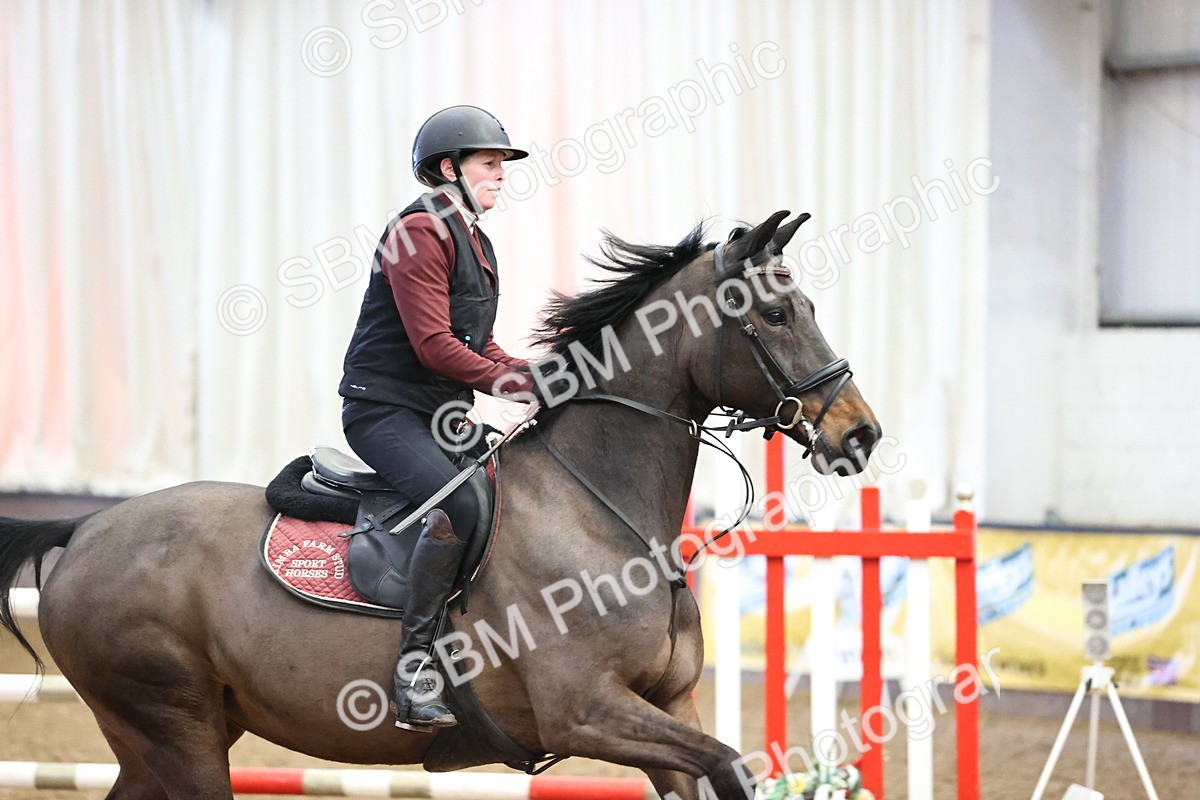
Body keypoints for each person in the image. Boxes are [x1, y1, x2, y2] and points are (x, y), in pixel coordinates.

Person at [339, 105, 536, 731]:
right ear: (449, 168)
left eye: (503, 163)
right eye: (490, 162)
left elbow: (477, 346)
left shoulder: (476, 240)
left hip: (435, 414)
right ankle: (414, 670)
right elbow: (433, 347)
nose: (501, 174)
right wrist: (512, 384)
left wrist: (543, 378)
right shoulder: (420, 231)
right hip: (382, 411)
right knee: (461, 505)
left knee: (509, 488)